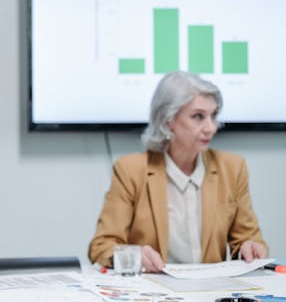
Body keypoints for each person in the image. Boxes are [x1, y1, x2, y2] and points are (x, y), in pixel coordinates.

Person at [88, 71, 268, 273]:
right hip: (152, 295)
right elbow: (101, 246)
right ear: (168, 121)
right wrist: (134, 256)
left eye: (213, 116)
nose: (211, 128)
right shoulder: (131, 170)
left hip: (211, 293)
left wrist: (248, 247)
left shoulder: (232, 168)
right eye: (198, 117)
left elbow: (247, 238)